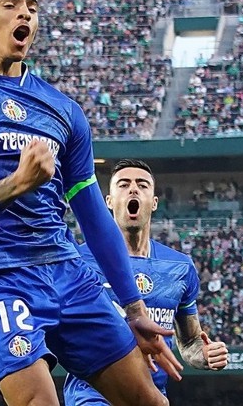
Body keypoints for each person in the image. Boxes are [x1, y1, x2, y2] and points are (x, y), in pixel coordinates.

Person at [0, 0, 181, 406]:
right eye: (10, 4)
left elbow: (93, 216)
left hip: (66, 271)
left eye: (32, 7)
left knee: (150, 401)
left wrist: (134, 308)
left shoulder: (62, 110)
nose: (26, 14)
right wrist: (18, 183)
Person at [64, 159, 229, 405]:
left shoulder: (180, 267)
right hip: (93, 395)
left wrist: (204, 354)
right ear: (109, 201)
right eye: (123, 185)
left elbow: (190, 342)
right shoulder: (81, 260)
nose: (133, 189)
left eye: (142, 185)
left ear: (154, 202)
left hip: (152, 396)